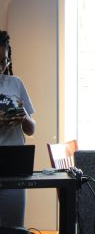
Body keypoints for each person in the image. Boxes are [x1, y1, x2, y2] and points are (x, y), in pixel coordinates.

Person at [0, 30, 36, 228]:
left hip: (15, 164)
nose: (1, 66)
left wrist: (23, 117)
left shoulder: (16, 83)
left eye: (4, 60)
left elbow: (31, 130)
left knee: (14, 227)